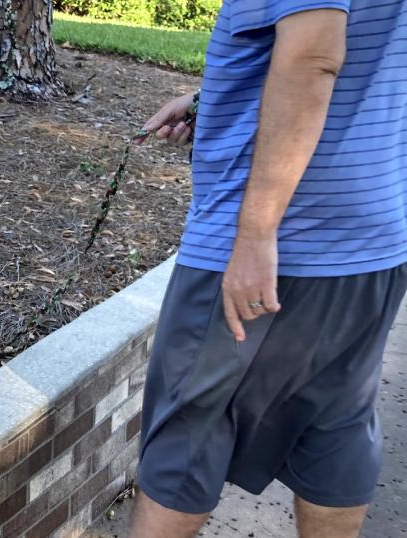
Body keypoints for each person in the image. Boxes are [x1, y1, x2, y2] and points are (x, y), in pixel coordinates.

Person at [131, 1, 407, 537]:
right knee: (337, 428)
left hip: (281, 235)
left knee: (186, 438)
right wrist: (212, 98)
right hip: (372, 234)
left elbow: (312, 58)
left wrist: (256, 233)